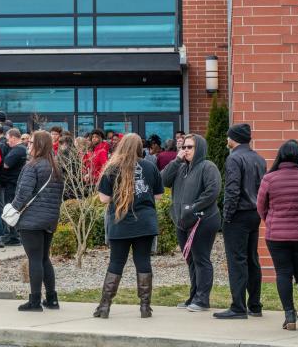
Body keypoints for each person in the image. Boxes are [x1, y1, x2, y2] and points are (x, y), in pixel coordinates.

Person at [94, 133, 163, 319]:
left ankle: (104, 307)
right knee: (143, 262)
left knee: (116, 262)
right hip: (145, 223)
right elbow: (158, 196)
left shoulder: (112, 167)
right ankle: (145, 308)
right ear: (140, 147)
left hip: (120, 222)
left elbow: (103, 199)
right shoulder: (150, 166)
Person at [257, 139, 298, 331]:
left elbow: (261, 207)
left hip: (277, 236)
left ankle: (290, 316)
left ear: (280, 155)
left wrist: (272, 221)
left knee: (283, 273)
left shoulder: (269, 179)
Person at [161, 133, 221, 312]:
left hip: (203, 220)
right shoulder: (180, 167)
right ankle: (194, 296)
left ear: (199, 148)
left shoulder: (207, 167)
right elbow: (163, 180)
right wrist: (176, 161)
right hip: (182, 221)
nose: (185, 150)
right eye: (183, 147)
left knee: (200, 258)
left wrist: (192, 207)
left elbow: (212, 191)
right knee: (190, 259)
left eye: (190, 147)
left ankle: (203, 300)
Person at [214, 123, 266, 320]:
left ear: (233, 138)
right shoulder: (259, 159)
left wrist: (226, 216)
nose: (227, 140)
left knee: (237, 260)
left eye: (229, 137)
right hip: (255, 213)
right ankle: (255, 305)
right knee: (252, 259)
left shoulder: (234, 158)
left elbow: (232, 189)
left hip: (238, 214)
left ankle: (238, 307)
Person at [13, 130, 64, 312]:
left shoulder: (32, 166)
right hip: (50, 218)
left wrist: (13, 209)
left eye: (31, 142)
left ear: (39, 145)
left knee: (34, 259)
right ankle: (52, 299)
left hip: (31, 219)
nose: (29, 145)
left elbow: (23, 193)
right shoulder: (55, 166)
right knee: (44, 259)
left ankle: (35, 301)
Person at [0, 128, 26, 246]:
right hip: (16, 184)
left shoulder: (17, 150)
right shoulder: (23, 149)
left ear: (14, 138)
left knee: (11, 209)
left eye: (8, 140)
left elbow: (6, 164)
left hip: (12, 184)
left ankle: (14, 236)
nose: (7, 142)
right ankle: (14, 235)